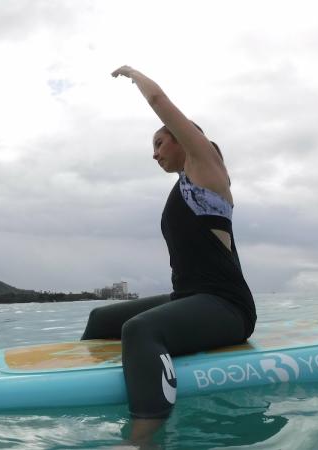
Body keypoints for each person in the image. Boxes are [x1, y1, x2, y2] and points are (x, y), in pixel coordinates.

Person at [81, 66, 256, 445]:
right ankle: (77, 382)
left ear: (182, 140)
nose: (155, 153)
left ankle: (144, 434)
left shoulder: (208, 170)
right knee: (100, 318)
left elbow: (158, 101)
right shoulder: (182, 187)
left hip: (227, 306)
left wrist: (131, 73)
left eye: (160, 143)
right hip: (190, 298)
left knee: (140, 329)